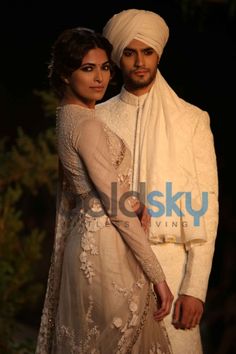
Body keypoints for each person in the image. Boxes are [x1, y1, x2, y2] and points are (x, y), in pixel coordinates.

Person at [35, 27, 174, 354]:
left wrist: (131, 199)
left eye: (104, 67)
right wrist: (158, 276)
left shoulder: (67, 117)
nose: (100, 78)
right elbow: (114, 208)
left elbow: (89, 190)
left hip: (85, 241)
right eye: (88, 68)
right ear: (67, 75)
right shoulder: (87, 125)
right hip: (106, 251)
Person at [97, 9, 219, 354]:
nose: (139, 61)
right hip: (111, 266)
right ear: (117, 56)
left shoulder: (191, 120)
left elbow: (204, 208)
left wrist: (194, 287)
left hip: (172, 264)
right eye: (130, 52)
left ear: (158, 55)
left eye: (147, 52)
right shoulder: (98, 117)